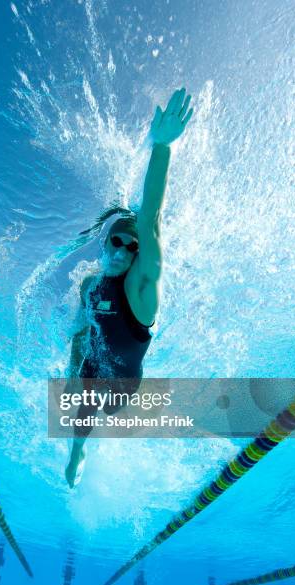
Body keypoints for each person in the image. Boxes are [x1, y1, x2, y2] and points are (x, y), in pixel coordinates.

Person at [64, 88, 193, 488]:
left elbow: (151, 219)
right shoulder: (89, 284)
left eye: (131, 246)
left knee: (111, 411)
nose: (122, 250)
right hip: (93, 364)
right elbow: (81, 329)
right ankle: (78, 452)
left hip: (124, 379)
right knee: (80, 416)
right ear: (104, 245)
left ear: (140, 254)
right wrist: (72, 368)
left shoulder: (141, 292)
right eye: (116, 241)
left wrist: (163, 147)